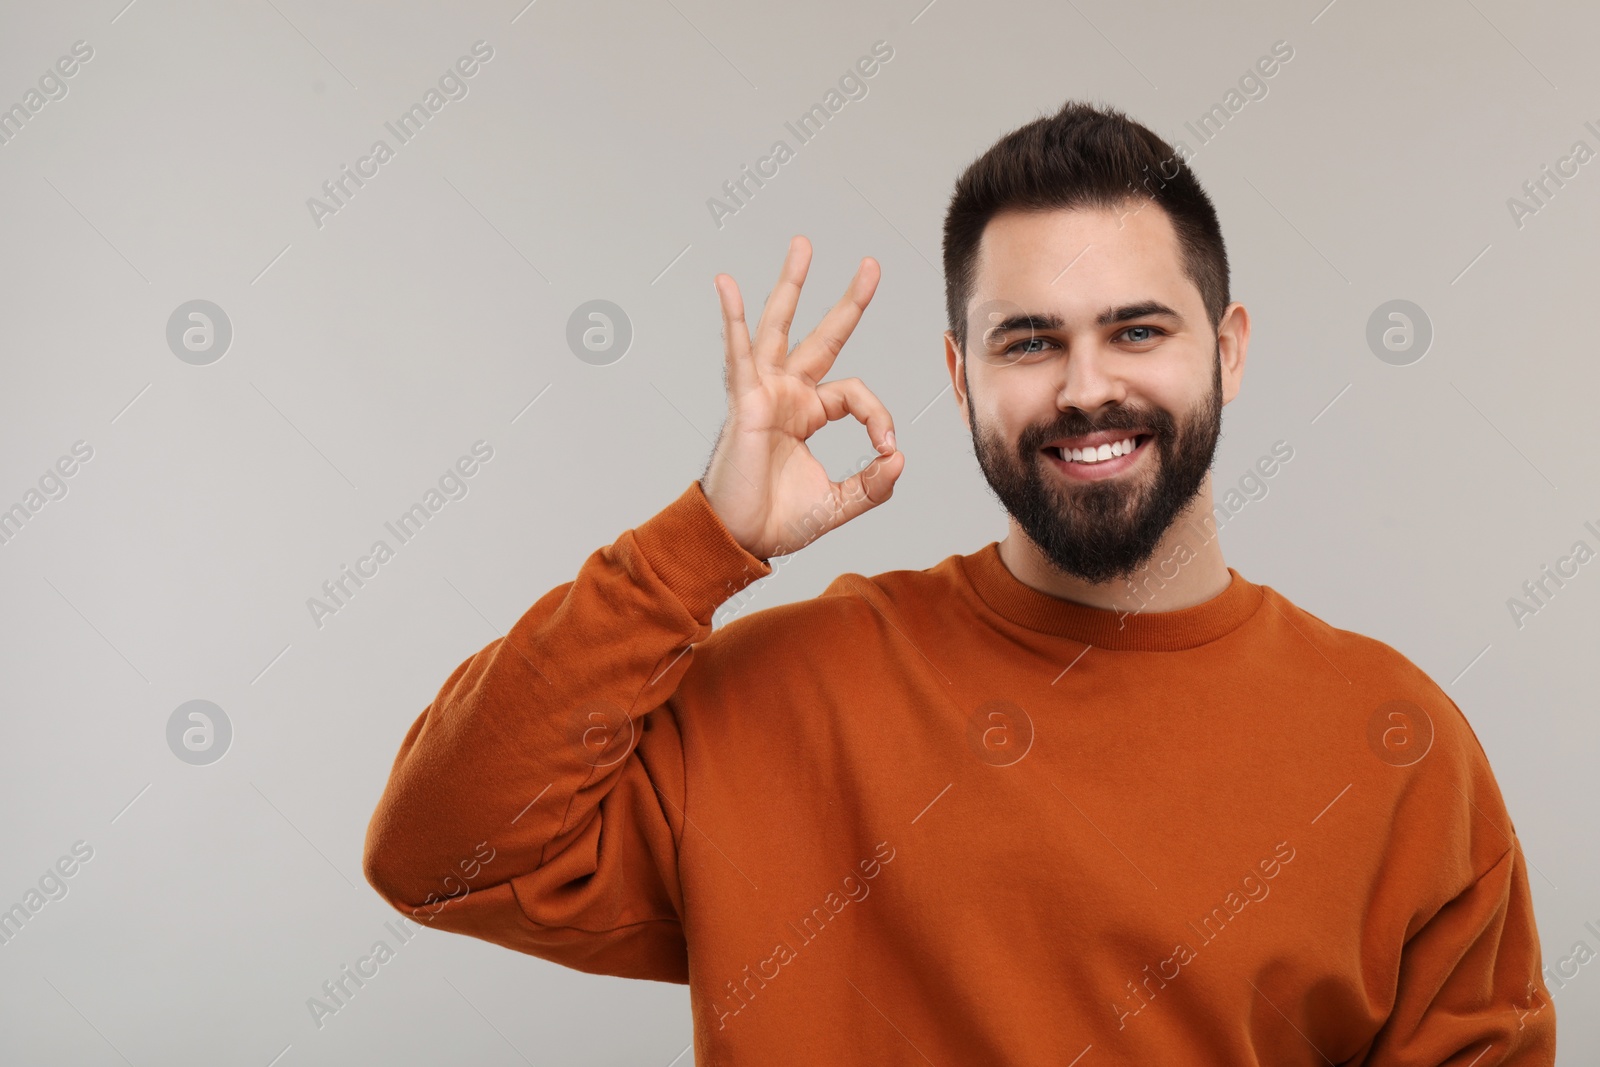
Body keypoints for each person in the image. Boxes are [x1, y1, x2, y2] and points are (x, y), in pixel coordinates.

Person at [362, 100, 1556, 1064]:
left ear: (1228, 348)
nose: (1085, 385)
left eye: (1137, 329)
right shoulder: (787, 693)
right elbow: (438, 847)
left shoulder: (1398, 747)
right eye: (1028, 340)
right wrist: (702, 539)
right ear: (958, 371)